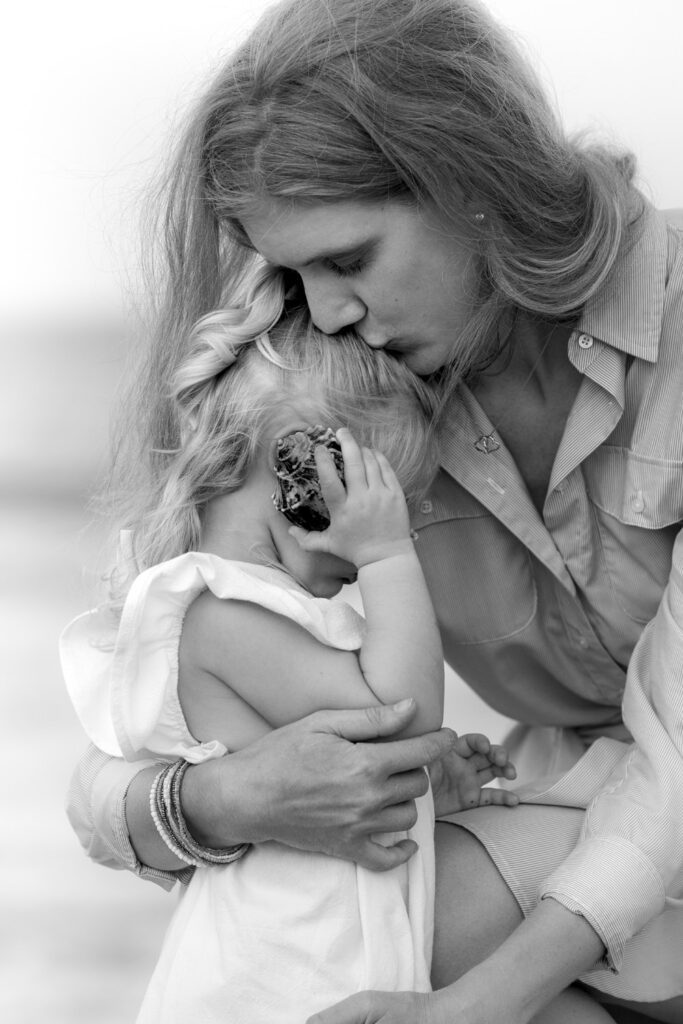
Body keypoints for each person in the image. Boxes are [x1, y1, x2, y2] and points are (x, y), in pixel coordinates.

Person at [65, 0, 683, 1021]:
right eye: (298, 275)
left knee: (425, 956)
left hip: (639, 834)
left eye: (347, 260)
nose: (330, 310)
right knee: (347, 946)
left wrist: (472, 1004)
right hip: (568, 838)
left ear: (472, 181)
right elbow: (151, 693)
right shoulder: (371, 402)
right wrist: (225, 796)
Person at [61, 269, 517, 1023]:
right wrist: (387, 558)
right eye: (382, 502)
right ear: (299, 479)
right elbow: (399, 719)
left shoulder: (269, 608)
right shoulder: (217, 609)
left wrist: (428, 784)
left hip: (323, 962)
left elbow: (357, 758)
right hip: (271, 981)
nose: (396, 526)